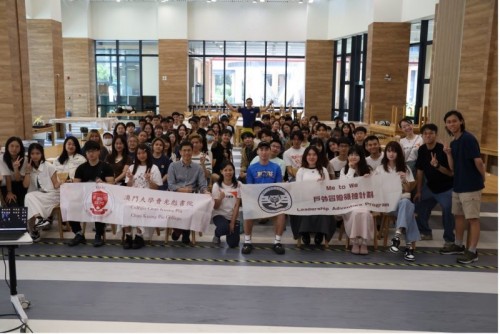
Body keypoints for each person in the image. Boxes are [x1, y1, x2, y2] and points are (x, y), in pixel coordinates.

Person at [442, 110, 485, 264]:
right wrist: (448, 154)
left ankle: (472, 251)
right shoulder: (454, 142)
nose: (451, 124)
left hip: (471, 185)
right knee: (458, 216)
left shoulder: (468, 139)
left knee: (473, 219)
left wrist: (483, 177)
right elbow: (452, 168)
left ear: (461, 121)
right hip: (458, 185)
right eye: (448, 122)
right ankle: (458, 245)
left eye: (454, 121)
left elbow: (478, 161)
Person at [375, 141, 419, 262]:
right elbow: (376, 188)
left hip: (401, 203)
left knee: (405, 203)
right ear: (385, 153)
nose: (391, 154)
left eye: (394, 151)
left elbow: (408, 190)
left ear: (399, 153)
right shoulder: (380, 169)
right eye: (389, 151)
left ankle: (397, 237)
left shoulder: (405, 168)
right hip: (388, 204)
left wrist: (404, 180)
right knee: (408, 209)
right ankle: (408, 246)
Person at [413, 123, 455, 245]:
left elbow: (450, 173)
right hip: (430, 187)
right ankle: (425, 232)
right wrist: (419, 191)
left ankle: (449, 239)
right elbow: (420, 172)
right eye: (425, 133)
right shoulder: (421, 149)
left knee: (448, 210)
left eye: (431, 133)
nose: (428, 136)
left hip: (446, 188)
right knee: (419, 203)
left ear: (436, 135)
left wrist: (437, 166)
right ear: (422, 136)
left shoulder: (443, 150)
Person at [68, 141, 115, 247]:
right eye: (88, 152)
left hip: (102, 197)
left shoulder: (106, 167)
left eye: (93, 151)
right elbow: (76, 185)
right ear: (86, 153)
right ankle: (78, 233)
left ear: (99, 152)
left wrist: (104, 184)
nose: (91, 154)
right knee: (70, 205)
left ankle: (99, 234)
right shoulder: (81, 168)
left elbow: (112, 183)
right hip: (84, 197)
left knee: (98, 204)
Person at [243, 141, 286, 255]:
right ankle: (247, 242)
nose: (264, 152)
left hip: (271, 200)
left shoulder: (276, 168)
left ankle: (277, 242)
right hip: (255, 200)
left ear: (269, 151)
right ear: (257, 151)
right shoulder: (251, 168)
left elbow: (278, 187)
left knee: (281, 213)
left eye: (266, 149)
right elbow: (250, 187)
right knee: (247, 210)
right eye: (261, 149)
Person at [167, 141, 209, 244]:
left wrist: (206, 191)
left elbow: (202, 185)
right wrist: (183, 190)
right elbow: (171, 185)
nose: (187, 153)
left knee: (192, 207)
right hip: (176, 196)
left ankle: (179, 231)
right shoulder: (173, 166)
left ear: (192, 151)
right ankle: (184, 231)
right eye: (184, 150)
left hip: (191, 197)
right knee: (180, 208)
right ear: (180, 152)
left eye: (189, 150)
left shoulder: (198, 168)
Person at [294, 146, 335, 248]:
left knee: (324, 210)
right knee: (302, 209)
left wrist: (323, 184)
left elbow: (329, 188)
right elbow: (298, 188)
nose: (311, 157)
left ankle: (320, 233)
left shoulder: (323, 170)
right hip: (305, 200)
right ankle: (304, 232)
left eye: (314, 155)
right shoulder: (301, 171)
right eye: (309, 155)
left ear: (318, 156)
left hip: (320, 200)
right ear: (305, 157)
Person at [124, 144, 163, 249]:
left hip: (148, 198)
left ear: (148, 153)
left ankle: (139, 236)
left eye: (144, 152)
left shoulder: (154, 168)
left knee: (140, 207)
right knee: (123, 207)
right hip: (133, 197)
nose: (141, 155)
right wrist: (131, 179)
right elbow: (128, 186)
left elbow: (156, 188)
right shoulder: (132, 167)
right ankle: (128, 235)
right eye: (139, 153)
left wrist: (149, 180)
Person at [340, 146, 374, 255]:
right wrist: (351, 170)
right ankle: (354, 242)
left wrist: (368, 181)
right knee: (355, 213)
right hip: (349, 202)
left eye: (356, 154)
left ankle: (364, 242)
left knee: (364, 213)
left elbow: (373, 189)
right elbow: (343, 188)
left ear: (361, 156)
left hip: (365, 201)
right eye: (351, 154)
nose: (353, 157)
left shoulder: (368, 169)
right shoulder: (344, 170)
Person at [23, 143, 61, 242]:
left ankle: (33, 229)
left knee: (30, 200)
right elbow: (26, 185)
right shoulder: (28, 167)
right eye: (32, 153)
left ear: (42, 154)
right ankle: (38, 221)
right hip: (38, 195)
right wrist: (27, 171)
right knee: (29, 197)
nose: (35, 156)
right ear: (29, 155)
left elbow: (55, 184)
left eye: (37, 153)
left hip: (52, 194)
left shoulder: (49, 166)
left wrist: (63, 182)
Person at [211, 161, 241, 248]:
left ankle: (228, 231)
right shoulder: (216, 185)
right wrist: (220, 198)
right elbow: (215, 207)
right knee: (224, 228)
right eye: (225, 170)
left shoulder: (238, 185)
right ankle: (217, 234)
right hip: (219, 215)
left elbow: (237, 206)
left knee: (233, 244)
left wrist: (232, 222)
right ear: (221, 171)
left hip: (233, 216)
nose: (228, 172)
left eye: (230, 170)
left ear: (234, 171)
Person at [1, 137, 27, 207]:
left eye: (17, 146)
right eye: (12, 146)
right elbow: (7, 177)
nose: (14, 149)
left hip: (19, 184)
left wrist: (16, 168)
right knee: (13, 205)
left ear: (20, 148)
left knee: (23, 205)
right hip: (6, 185)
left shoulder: (24, 159)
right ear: (7, 147)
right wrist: (9, 192)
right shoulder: (2, 158)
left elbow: (18, 179)